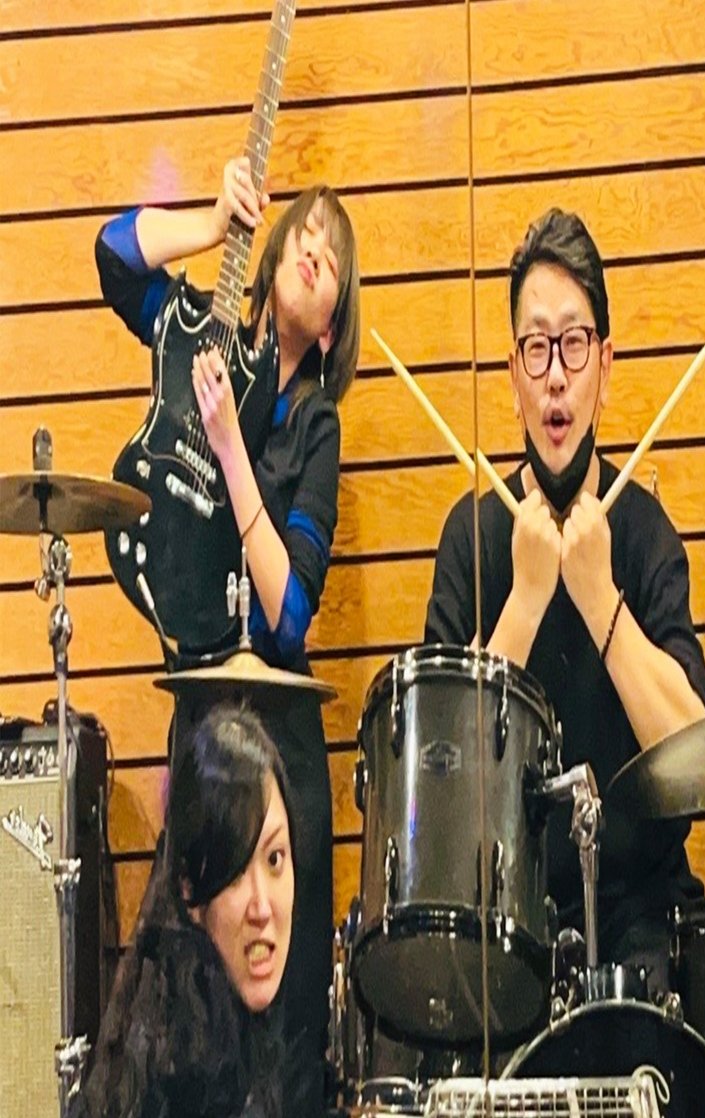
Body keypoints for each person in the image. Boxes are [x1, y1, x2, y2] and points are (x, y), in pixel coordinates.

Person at [96, 158, 361, 1113]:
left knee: (282, 1051)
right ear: (273, 253)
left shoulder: (316, 425)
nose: (314, 251)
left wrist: (231, 450)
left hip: (280, 751)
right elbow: (115, 255)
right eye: (305, 236)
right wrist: (210, 221)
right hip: (203, 731)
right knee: (182, 1017)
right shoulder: (199, 350)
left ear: (329, 324)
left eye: (333, 259)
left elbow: (290, 615)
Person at [425, 208, 705, 987]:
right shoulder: (472, 536)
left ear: (605, 367)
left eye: (575, 344)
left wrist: (599, 598)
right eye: (537, 346)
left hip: (641, 913)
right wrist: (524, 602)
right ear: (514, 373)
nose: (556, 374)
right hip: (503, 916)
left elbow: (694, 763)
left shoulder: (644, 532)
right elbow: (440, 786)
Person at [78, 705, 295, 1118]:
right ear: (188, 888)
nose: (262, 907)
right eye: (234, 872)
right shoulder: (185, 1063)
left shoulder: (226, 1020)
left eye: (274, 859)